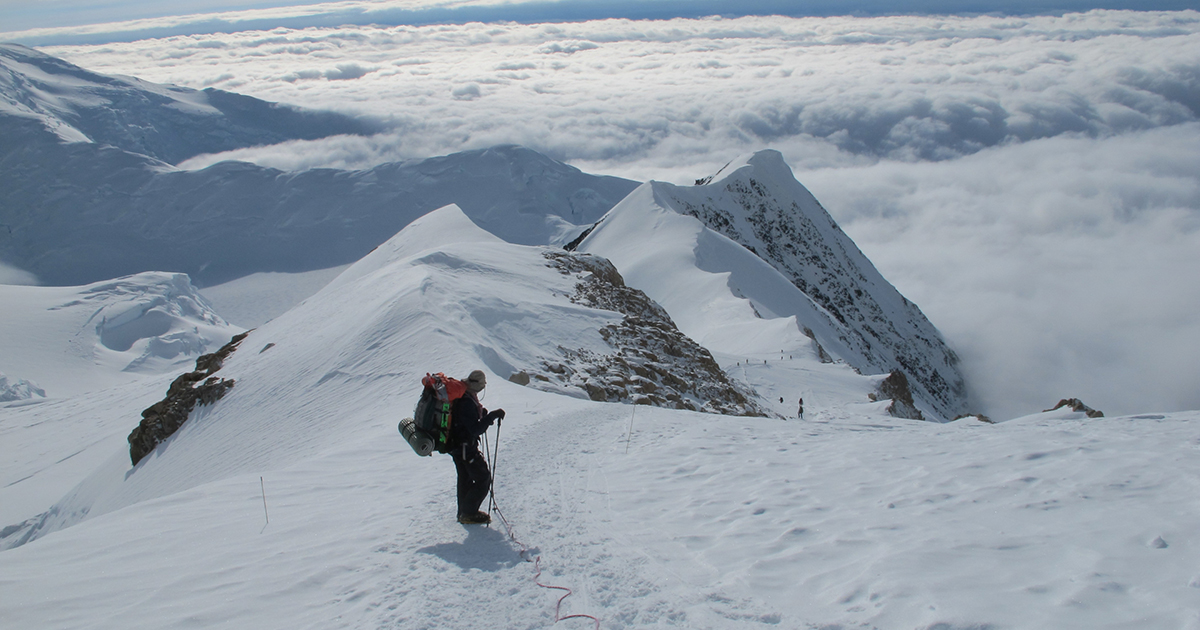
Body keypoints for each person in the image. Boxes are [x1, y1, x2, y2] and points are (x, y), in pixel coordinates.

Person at [450, 370, 505, 524]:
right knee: (483, 478)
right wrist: (491, 417)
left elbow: (467, 421)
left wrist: (483, 415)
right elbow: (475, 429)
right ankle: (468, 513)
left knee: (465, 478)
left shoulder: (463, 397)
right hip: (465, 448)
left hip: (456, 447)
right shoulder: (467, 402)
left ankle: (463, 513)